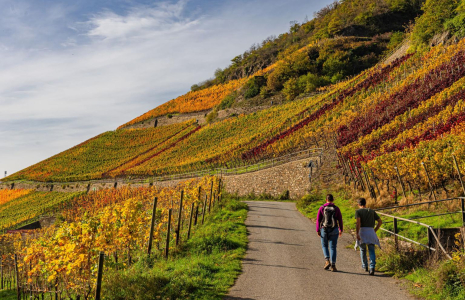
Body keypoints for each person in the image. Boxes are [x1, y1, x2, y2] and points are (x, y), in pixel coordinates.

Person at [316, 194, 343, 272]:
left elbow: (318, 219)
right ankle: (333, 265)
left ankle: (327, 260)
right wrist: (340, 229)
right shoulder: (336, 208)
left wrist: (318, 229)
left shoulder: (322, 208)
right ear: (333, 200)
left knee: (324, 245)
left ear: (326, 200)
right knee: (333, 247)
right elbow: (340, 220)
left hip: (324, 229)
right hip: (334, 229)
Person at [355, 198, 382, 276]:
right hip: (371, 232)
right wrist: (374, 230)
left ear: (358, 204)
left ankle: (365, 266)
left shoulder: (358, 212)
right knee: (371, 250)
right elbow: (380, 221)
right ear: (365, 203)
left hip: (362, 232)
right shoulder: (372, 211)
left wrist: (357, 233)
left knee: (362, 249)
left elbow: (358, 223)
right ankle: (372, 267)